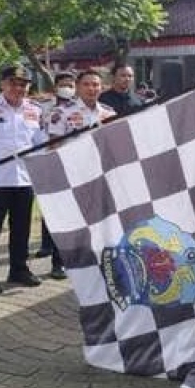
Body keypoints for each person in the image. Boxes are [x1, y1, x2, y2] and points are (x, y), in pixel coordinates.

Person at [0, 65, 46, 294]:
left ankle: (19, 269)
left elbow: (39, 144)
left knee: (21, 229)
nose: (18, 88)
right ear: (2, 84)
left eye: (23, 84)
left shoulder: (35, 110)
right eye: (13, 82)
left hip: (24, 179)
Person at [43, 69, 116, 279]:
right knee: (69, 221)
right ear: (77, 86)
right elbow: (53, 145)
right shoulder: (62, 112)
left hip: (100, 174)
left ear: (102, 87)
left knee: (99, 219)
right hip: (71, 174)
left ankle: (96, 259)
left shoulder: (109, 113)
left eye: (96, 85)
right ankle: (60, 262)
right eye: (87, 84)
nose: (92, 88)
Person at [35, 71, 76, 260]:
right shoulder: (42, 107)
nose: (67, 88)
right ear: (56, 86)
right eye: (64, 84)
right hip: (45, 159)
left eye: (71, 85)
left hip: (69, 162)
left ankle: (64, 248)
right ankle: (46, 244)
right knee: (48, 204)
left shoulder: (77, 108)